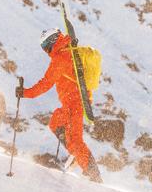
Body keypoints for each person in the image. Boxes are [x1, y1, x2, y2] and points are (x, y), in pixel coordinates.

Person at [16, 28, 101, 182]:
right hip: (72, 102)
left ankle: (94, 175)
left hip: (75, 103)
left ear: (52, 42)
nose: (45, 50)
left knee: (75, 140)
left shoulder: (60, 58)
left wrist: (25, 93)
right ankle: (76, 153)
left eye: (45, 46)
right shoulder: (69, 50)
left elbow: (45, 84)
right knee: (56, 121)